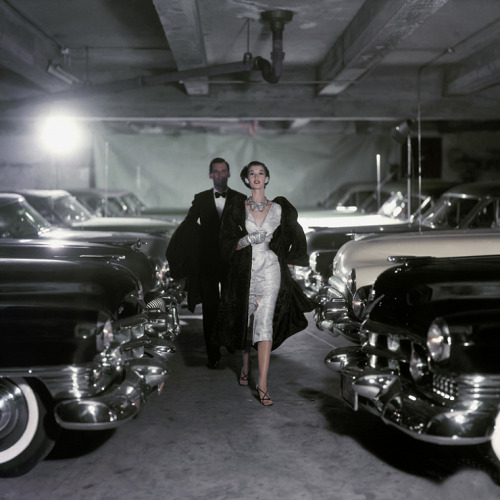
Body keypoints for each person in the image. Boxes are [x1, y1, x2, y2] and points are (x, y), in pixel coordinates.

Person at [214, 161, 315, 406]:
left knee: (265, 322)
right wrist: (246, 239)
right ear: (246, 179)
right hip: (244, 271)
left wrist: (289, 261)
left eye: (261, 173)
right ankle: (245, 367)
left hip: (270, 268)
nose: (256, 177)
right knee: (246, 319)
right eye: (252, 173)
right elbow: (225, 242)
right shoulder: (237, 208)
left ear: (267, 178)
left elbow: (294, 236)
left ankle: (263, 385)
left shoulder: (280, 209)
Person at [167, 157, 246, 369]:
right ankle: (213, 355)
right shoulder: (200, 199)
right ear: (211, 175)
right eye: (216, 172)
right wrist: (182, 252)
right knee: (210, 309)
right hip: (208, 262)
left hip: (232, 261)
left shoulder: (240, 199)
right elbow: (188, 224)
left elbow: (248, 229)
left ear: (229, 173)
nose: (220, 175)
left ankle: (229, 341)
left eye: (223, 171)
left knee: (232, 304)